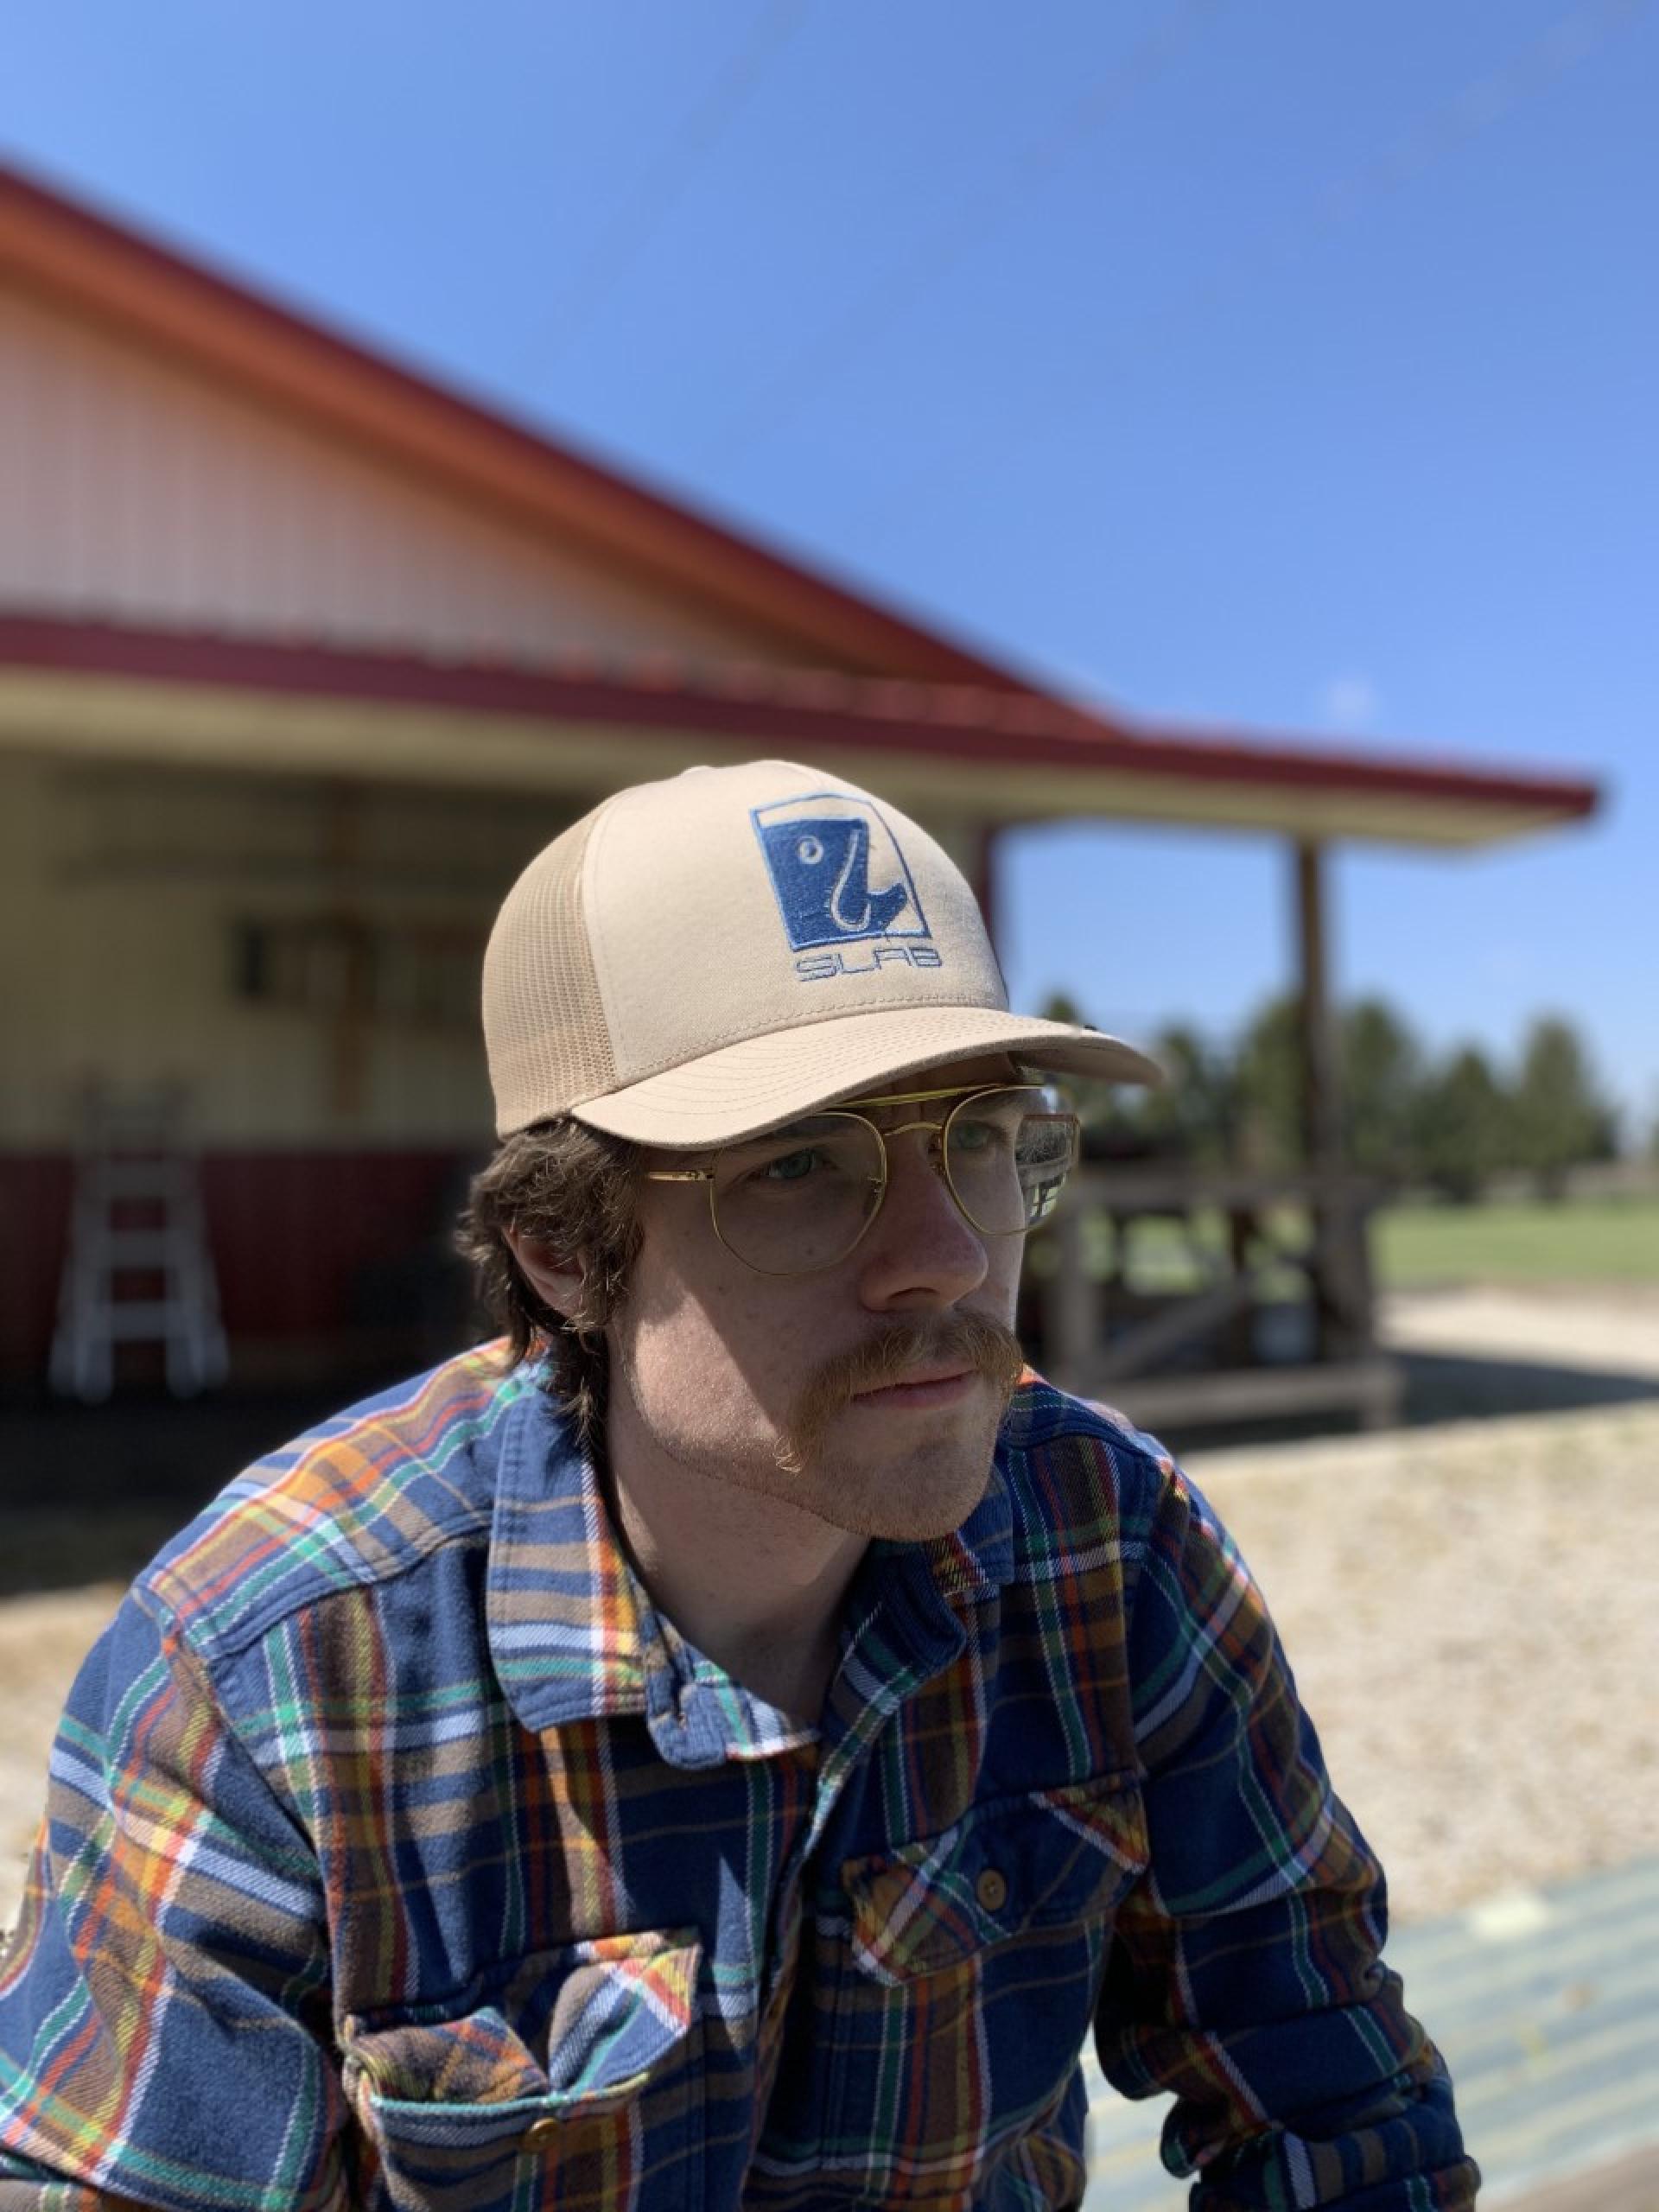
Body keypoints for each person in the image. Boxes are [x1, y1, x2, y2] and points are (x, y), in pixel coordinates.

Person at [0, 759, 1477, 2210]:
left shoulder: (1109, 1546)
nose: (949, 1255)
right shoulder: (271, 1674)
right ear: (564, 1250)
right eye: (797, 1166)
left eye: (977, 1139)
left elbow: (1338, 2107)